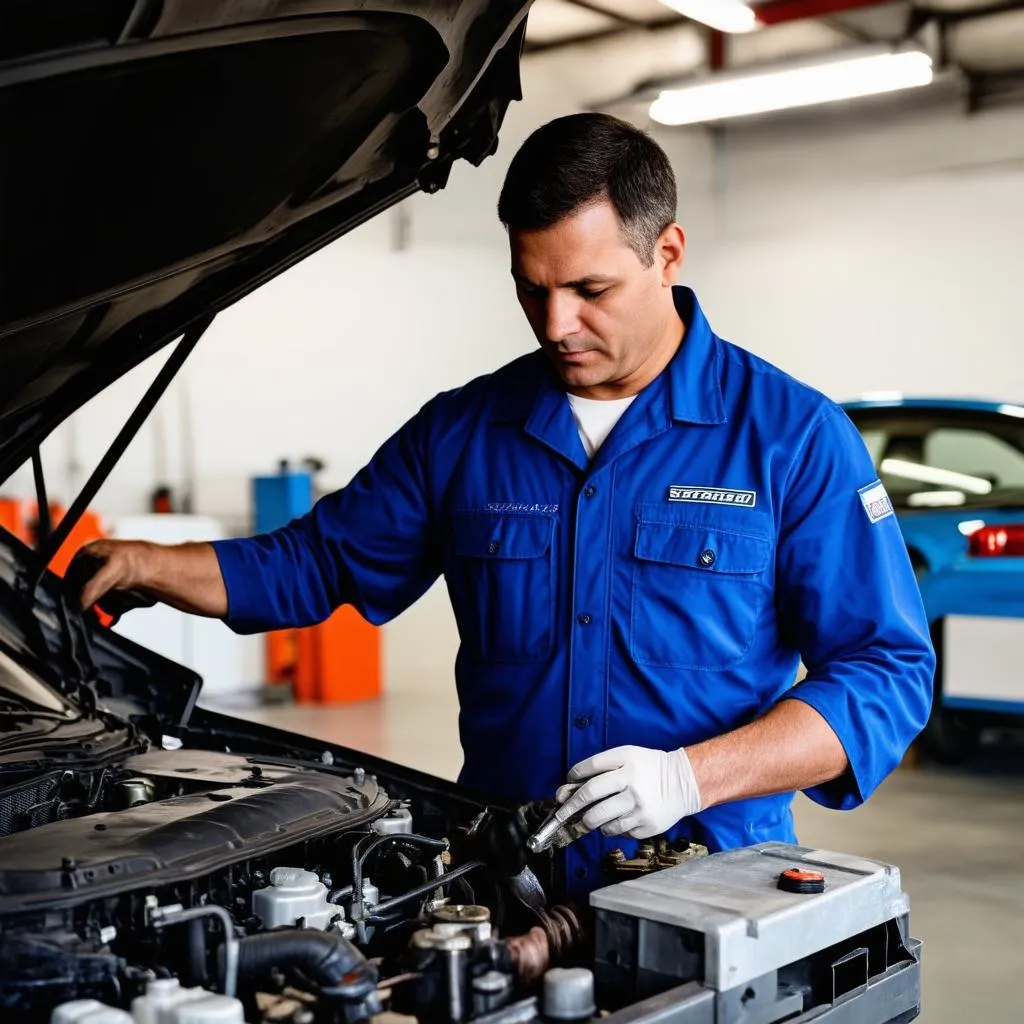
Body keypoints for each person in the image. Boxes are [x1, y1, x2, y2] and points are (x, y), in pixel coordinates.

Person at [74, 113, 935, 898]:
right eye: (531, 288)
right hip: (501, 880)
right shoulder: (465, 433)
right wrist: (149, 563)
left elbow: (886, 673)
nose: (555, 324)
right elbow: (314, 562)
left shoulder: (791, 436)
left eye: (590, 291)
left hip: (710, 887)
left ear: (667, 254)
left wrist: (690, 778)